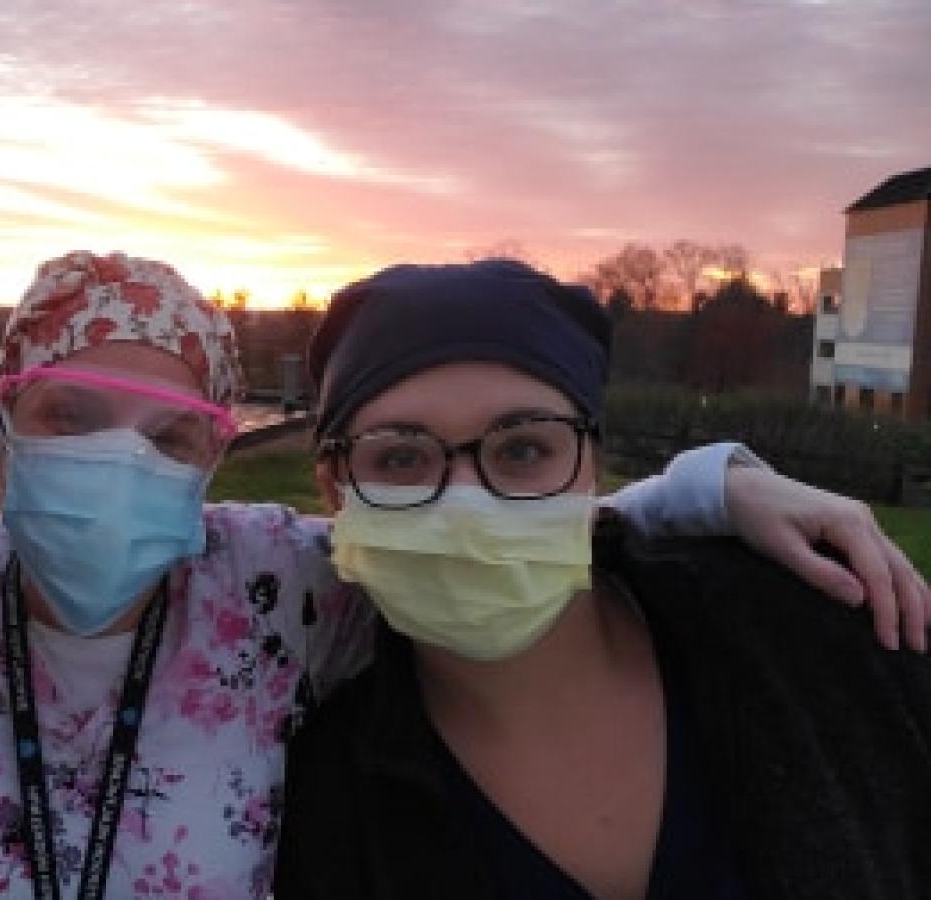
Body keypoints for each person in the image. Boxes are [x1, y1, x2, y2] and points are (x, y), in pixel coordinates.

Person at [0, 250, 926, 899]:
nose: (118, 462)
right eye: (70, 418)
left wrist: (709, 488)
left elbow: (518, 525)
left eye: (171, 435)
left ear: (214, 458)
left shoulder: (263, 592)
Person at [273, 260, 931, 898]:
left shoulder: (816, 635)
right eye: (402, 457)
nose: (467, 504)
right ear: (336, 492)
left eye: (523, 450)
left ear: (593, 464)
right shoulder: (322, 804)